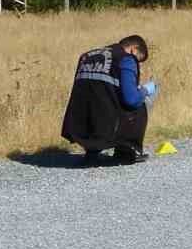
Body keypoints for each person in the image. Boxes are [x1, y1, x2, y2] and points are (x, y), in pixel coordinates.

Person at [61, 34, 159, 165]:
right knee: (142, 97)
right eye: (138, 60)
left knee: (97, 98)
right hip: (108, 127)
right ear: (133, 49)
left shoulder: (86, 56)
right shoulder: (127, 59)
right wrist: (146, 89)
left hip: (78, 126)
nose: (137, 65)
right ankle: (125, 152)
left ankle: (92, 152)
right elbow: (131, 100)